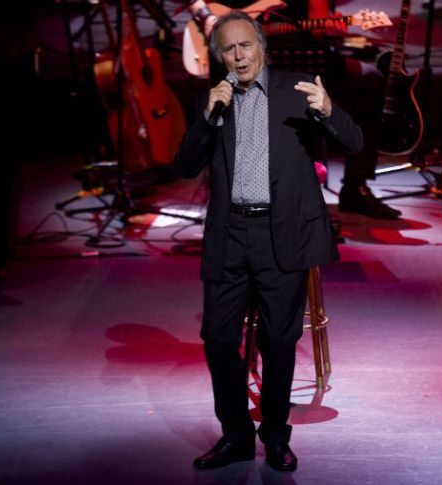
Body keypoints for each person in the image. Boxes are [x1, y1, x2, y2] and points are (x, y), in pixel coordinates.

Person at [174, 11, 363, 471]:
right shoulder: (216, 100)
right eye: (228, 50)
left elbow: (355, 143)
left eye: (246, 46)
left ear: (262, 47)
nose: (239, 56)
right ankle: (235, 435)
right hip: (230, 233)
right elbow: (183, 166)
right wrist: (206, 117)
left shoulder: (297, 91)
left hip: (283, 235)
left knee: (279, 341)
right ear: (218, 57)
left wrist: (327, 110)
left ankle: (275, 436)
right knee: (218, 337)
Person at [183, 0, 401, 220]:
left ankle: (355, 187)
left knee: (370, 80)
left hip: (300, 57)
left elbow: (318, 23)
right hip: (242, 61)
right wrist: (206, 17)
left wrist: (328, 30)